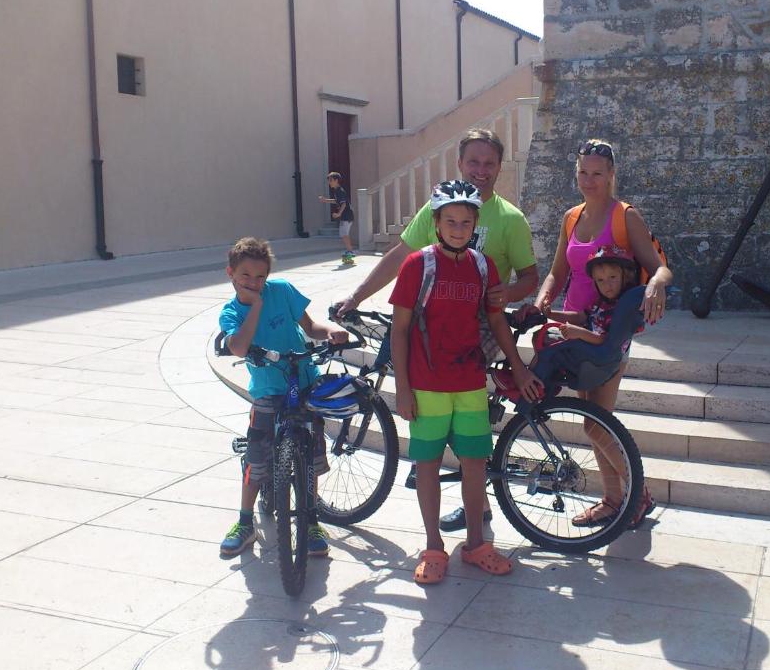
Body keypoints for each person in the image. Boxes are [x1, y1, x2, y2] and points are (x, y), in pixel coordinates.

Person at [333, 129, 539, 531]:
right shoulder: (441, 207)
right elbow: (401, 255)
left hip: (477, 323)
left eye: (490, 163)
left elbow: (530, 276)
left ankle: (465, 491)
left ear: (500, 167)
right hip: (435, 319)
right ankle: (447, 474)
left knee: (461, 416)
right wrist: (356, 297)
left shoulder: (510, 219)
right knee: (425, 375)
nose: (481, 170)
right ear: (460, 164)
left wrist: (504, 292)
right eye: (474, 162)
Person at [388, 181, 542, 584]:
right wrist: (402, 388)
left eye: (466, 221)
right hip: (426, 385)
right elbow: (399, 330)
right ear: (436, 224)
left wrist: (518, 366)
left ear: (475, 224)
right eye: (450, 221)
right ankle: (434, 547)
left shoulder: (482, 266)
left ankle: (476, 544)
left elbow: (495, 320)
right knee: (428, 465)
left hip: (470, 381)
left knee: (476, 463)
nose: (458, 228)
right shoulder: (417, 265)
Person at [528, 139, 672, 529]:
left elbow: (659, 267)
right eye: (582, 172)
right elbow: (559, 270)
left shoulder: (625, 216)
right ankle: (614, 500)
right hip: (575, 329)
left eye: (597, 172)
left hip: (608, 334)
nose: (589, 180)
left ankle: (633, 496)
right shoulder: (571, 217)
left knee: (596, 422)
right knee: (593, 419)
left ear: (611, 175)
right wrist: (543, 299)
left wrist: (656, 286)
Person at [218, 237, 349, 557]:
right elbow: (237, 346)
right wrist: (256, 306)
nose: (254, 282)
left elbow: (310, 326)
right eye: (245, 275)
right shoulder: (232, 311)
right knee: (258, 456)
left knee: (312, 453)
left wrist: (330, 329)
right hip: (268, 387)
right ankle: (245, 522)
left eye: (260, 276)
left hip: (303, 377)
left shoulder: (283, 290)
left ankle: (312, 519)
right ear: (231, 273)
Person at [318, 171, 355, 264]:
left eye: (331, 180)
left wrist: (338, 213)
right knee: (343, 233)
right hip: (347, 215)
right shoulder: (337, 191)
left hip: (346, 216)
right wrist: (326, 200)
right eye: (329, 180)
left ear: (336, 180)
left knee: (343, 233)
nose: (329, 182)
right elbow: (337, 201)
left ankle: (350, 251)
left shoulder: (340, 191)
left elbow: (343, 203)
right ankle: (350, 250)